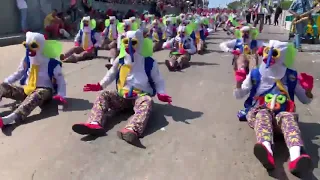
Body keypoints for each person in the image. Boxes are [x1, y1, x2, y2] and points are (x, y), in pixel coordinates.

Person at [72, 30, 172, 144]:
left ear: (140, 43)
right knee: (103, 95)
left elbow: (158, 80)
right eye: (125, 42)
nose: (128, 45)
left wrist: (161, 92)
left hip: (140, 97)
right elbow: (111, 74)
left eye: (133, 42)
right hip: (122, 96)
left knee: (147, 101)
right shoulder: (120, 59)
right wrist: (100, 85)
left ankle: (131, 129)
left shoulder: (149, 62)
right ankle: (94, 123)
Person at [234, 40, 314, 178]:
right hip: (260, 111)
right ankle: (266, 150)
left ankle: (296, 158)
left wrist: (308, 90)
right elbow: (239, 95)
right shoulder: (255, 74)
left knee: (289, 118)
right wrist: (238, 83)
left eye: (274, 53)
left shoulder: (291, 76)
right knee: (262, 114)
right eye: (267, 51)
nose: (269, 56)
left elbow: (305, 99)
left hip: (282, 116)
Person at [0, 32, 67, 128]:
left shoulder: (52, 62)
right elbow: (19, 73)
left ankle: (11, 118)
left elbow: (60, 80)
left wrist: (61, 94)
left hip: (44, 90)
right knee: (2, 86)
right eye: (26, 46)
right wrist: (6, 83)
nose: (29, 49)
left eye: (33, 46)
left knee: (37, 94)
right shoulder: (27, 59)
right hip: (28, 89)